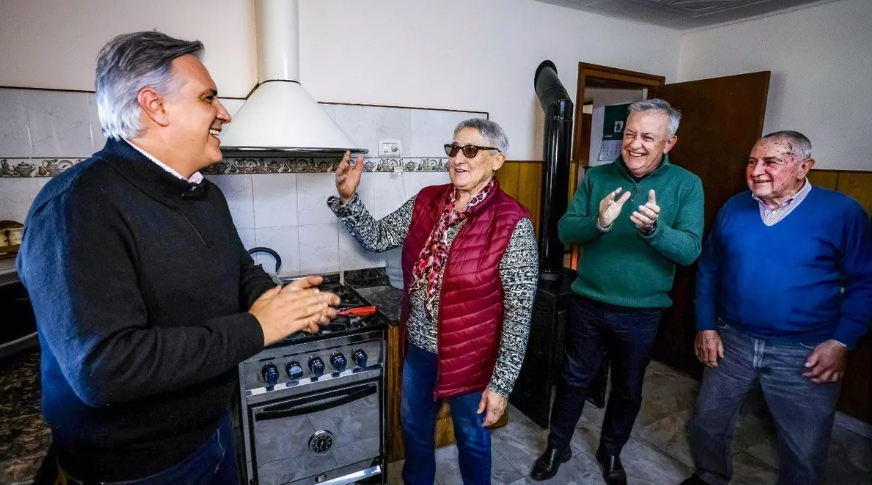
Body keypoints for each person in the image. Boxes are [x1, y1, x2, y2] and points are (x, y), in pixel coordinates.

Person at [16, 31, 339, 485]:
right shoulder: (77, 206)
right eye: (208, 98)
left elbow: (240, 268)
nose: (224, 113)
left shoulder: (203, 194)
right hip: (136, 469)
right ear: (155, 106)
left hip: (212, 434)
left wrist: (278, 301)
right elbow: (105, 368)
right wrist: (258, 326)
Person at [329, 118, 538, 485]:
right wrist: (349, 198)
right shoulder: (427, 200)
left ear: (497, 160)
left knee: (472, 440)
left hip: (472, 357)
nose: (457, 158)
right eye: (454, 149)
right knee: (414, 429)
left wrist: (501, 385)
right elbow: (378, 237)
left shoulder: (512, 223)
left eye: (470, 150)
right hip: (422, 351)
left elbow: (518, 315)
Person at [681, 131, 872, 485]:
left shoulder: (842, 212)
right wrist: (706, 325)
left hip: (805, 350)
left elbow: (865, 282)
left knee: (804, 444)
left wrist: (842, 341)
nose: (756, 170)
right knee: (708, 419)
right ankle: (710, 476)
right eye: (752, 161)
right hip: (733, 340)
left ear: (804, 167)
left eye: (771, 162)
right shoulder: (734, 207)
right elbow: (709, 269)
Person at [531, 99, 704, 485]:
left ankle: (610, 451)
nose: (635, 144)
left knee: (628, 389)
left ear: (669, 143)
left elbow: (690, 250)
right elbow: (565, 230)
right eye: (629, 134)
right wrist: (598, 222)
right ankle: (558, 446)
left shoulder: (687, 184)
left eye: (648, 137)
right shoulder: (597, 177)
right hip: (588, 302)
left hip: (642, 312)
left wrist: (654, 231)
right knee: (573, 379)